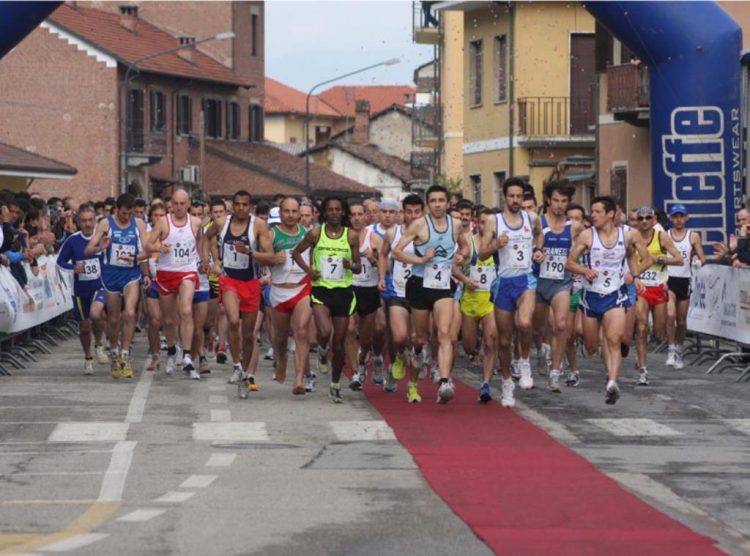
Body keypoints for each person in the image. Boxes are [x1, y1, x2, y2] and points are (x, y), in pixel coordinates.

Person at [566, 196, 652, 404]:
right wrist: (584, 270)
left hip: (615, 293)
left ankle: (612, 382)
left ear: (611, 214)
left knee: (614, 340)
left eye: (597, 212)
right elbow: (569, 263)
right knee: (591, 345)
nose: (592, 215)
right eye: (592, 211)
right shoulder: (587, 236)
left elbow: (646, 258)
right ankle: (606, 367)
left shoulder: (629, 234)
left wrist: (635, 275)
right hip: (591, 296)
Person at [393, 185, 470, 404]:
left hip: (444, 284)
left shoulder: (456, 225)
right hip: (419, 284)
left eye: (441, 200)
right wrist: (420, 260)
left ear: (448, 203)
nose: (437, 204)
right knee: (420, 338)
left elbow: (464, 247)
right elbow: (396, 252)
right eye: (433, 201)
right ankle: (414, 379)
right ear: (428, 204)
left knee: (444, 332)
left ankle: (445, 382)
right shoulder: (419, 225)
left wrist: (461, 257)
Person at [477, 177, 544, 407]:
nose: (516, 200)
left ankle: (524, 362)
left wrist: (538, 251)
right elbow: (482, 253)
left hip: (526, 280)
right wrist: (497, 245)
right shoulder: (494, 222)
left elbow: (539, 234)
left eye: (519, 196)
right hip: (503, 283)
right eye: (512, 196)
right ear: (504, 197)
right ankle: (506, 383)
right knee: (504, 341)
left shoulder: (531, 217)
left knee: (525, 323)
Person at [292, 196, 361, 403]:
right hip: (321, 290)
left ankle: (335, 384)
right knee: (324, 332)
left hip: (343, 292)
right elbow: (296, 253)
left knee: (339, 344)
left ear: (343, 212)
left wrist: (351, 265)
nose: (333, 213)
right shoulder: (315, 233)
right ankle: (322, 350)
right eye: (329, 209)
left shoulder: (351, 236)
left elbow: (358, 265)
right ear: (324, 213)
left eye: (337, 209)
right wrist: (309, 271)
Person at [203, 190, 265, 391]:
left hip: (251, 283)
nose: (240, 208)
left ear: (250, 207)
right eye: (237, 204)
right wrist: (210, 260)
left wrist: (252, 253)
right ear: (233, 206)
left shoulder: (258, 226)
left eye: (244, 205)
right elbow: (206, 236)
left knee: (248, 334)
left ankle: (245, 370)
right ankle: (237, 364)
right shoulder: (222, 223)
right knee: (232, 319)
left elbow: (269, 253)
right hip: (229, 280)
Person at [85, 193, 150, 379]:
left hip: (130, 274)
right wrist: (101, 248)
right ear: (116, 210)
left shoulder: (138, 224)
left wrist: (136, 258)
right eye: (123, 213)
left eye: (129, 214)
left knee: (129, 313)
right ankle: (114, 352)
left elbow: (148, 251)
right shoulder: (106, 224)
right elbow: (88, 249)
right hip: (111, 275)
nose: (126, 217)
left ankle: (125, 354)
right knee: (113, 319)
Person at [255, 197, 312, 395]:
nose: (290, 215)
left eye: (294, 211)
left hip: (302, 288)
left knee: (301, 332)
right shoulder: (272, 234)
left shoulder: (308, 234)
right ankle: (281, 360)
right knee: (279, 338)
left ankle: (298, 379)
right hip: (279, 291)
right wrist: (272, 259)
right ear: (280, 213)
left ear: (299, 214)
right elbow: (260, 258)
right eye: (286, 211)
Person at [146, 190, 204, 379]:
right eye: (175, 203)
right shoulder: (163, 222)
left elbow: (201, 244)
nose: (179, 207)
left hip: (187, 271)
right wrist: (158, 247)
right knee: (169, 320)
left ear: (188, 204)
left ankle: (187, 356)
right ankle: (172, 351)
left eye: (182, 203)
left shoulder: (196, 223)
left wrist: (204, 261)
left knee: (186, 310)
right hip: (166, 273)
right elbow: (148, 244)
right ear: (171, 204)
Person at [534, 181, 581, 392]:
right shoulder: (538, 222)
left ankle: (555, 372)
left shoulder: (575, 227)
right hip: (537, 282)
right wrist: (535, 253)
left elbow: (585, 250)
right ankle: (541, 349)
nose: (559, 205)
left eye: (563, 201)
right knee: (536, 327)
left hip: (561, 283)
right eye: (555, 200)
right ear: (548, 200)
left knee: (561, 325)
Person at [378, 194, 424, 402]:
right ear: (402, 213)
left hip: (422, 294)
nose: (413, 216)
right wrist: (382, 276)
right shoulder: (392, 233)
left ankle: (413, 386)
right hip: (397, 292)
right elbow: (382, 254)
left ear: (423, 213)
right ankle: (397, 356)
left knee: (417, 342)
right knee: (398, 337)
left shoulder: (429, 234)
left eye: (417, 212)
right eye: (409, 211)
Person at [632, 206, 683, 385]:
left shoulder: (661, 237)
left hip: (658, 287)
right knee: (641, 328)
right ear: (637, 221)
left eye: (648, 218)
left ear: (653, 220)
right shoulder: (631, 237)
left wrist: (658, 259)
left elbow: (679, 259)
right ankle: (643, 369)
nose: (644, 221)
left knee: (659, 333)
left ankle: (645, 348)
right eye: (641, 218)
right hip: (641, 288)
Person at [56, 204, 108, 374]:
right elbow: (60, 262)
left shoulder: (103, 238)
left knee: (96, 313)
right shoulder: (73, 240)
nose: (87, 224)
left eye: (90, 220)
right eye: (84, 220)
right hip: (80, 290)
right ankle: (88, 357)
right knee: (85, 327)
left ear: (95, 221)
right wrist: (73, 268)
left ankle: (99, 344)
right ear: (79, 222)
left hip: (99, 286)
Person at [456, 206, 498, 402]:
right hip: (470, 300)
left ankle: (486, 384)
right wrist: (465, 281)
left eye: (490, 223)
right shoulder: (469, 242)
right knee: (468, 346)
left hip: (491, 301)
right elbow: (453, 267)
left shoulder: (499, 244)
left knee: (492, 339)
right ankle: (476, 348)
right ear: (476, 222)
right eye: (482, 222)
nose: (486, 226)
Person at [346, 200, 384, 390]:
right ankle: (355, 373)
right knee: (351, 330)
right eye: (352, 215)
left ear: (365, 216)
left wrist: (373, 259)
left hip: (369, 290)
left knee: (367, 337)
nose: (356, 218)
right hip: (350, 287)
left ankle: (363, 361)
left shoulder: (374, 238)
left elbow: (386, 266)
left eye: (360, 214)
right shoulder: (342, 237)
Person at [665, 204, 706, 369]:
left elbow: (703, 257)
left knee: (681, 322)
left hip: (685, 279)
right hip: (669, 279)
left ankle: (679, 350)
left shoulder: (693, 236)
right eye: (675, 217)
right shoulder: (665, 235)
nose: (679, 220)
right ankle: (670, 349)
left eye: (681, 216)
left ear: (686, 218)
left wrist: (698, 262)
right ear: (670, 218)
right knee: (670, 315)